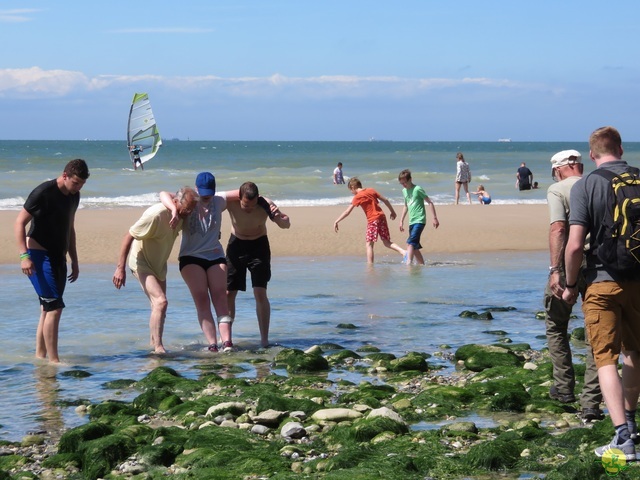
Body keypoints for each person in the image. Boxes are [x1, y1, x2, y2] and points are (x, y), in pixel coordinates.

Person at [563, 126, 640, 461]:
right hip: (638, 279)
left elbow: (575, 244)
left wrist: (569, 285)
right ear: (620, 149)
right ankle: (633, 424)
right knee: (634, 352)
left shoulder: (587, 184)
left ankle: (623, 439)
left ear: (592, 154)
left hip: (602, 282)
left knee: (604, 358)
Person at [544, 149, 603, 422]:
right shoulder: (598, 184)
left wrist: (555, 270)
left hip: (571, 259)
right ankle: (591, 401)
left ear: (559, 169)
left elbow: (558, 229)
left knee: (556, 324)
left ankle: (564, 387)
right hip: (600, 264)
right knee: (597, 333)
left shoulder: (558, 189)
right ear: (579, 165)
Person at [14, 159, 90, 363]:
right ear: (65, 175)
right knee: (54, 307)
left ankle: (40, 357)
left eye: (82, 184)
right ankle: (54, 361)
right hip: (38, 253)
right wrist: (24, 257)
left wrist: (74, 259)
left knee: (47, 308)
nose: (78, 188)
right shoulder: (43, 192)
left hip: (59, 256)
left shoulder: (75, 196)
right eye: (75, 183)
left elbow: (69, 228)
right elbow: (19, 222)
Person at [113, 187, 197, 354]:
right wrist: (120, 268)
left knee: (159, 307)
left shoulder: (181, 213)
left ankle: (153, 344)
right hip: (141, 262)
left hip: (159, 265)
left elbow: (170, 194)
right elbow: (128, 235)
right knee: (161, 301)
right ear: (175, 202)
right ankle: (158, 348)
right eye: (186, 209)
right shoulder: (156, 215)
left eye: (191, 210)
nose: (188, 213)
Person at [160, 172, 236, 353]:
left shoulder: (219, 200)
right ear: (196, 189)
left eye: (209, 193)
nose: (206, 197)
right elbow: (163, 193)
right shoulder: (190, 201)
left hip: (215, 255)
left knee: (220, 296)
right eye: (202, 193)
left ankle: (227, 343)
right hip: (190, 257)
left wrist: (269, 204)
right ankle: (212, 344)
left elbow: (243, 192)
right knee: (202, 298)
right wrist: (173, 210)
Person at [225, 181, 291, 348]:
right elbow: (209, 204)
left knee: (260, 293)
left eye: (253, 206)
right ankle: (226, 339)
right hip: (236, 245)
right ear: (239, 197)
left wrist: (279, 218)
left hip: (259, 246)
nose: (249, 209)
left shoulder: (266, 204)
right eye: (246, 205)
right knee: (229, 292)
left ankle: (264, 340)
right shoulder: (230, 202)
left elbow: (286, 225)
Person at [334, 177, 406, 264]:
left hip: (373, 220)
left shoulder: (358, 196)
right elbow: (386, 200)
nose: (351, 192)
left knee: (369, 244)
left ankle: (370, 266)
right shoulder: (371, 190)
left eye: (350, 190)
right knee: (386, 242)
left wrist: (337, 221)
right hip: (382, 217)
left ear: (353, 187)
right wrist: (392, 212)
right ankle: (403, 252)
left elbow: (347, 212)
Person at [397, 169, 439, 265]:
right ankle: (421, 264)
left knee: (410, 243)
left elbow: (430, 202)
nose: (404, 185)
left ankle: (409, 264)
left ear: (410, 179)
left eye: (405, 182)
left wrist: (435, 218)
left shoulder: (417, 189)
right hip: (411, 221)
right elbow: (406, 205)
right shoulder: (404, 191)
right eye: (401, 183)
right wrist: (401, 220)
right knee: (415, 247)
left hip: (420, 220)